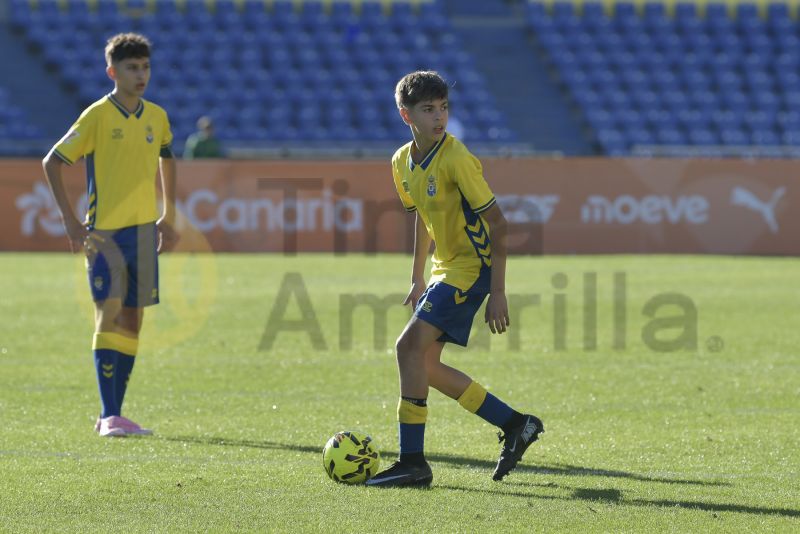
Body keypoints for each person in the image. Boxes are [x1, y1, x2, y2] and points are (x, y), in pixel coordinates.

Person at [366, 71, 544, 487]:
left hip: (473, 269)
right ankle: (517, 424)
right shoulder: (400, 162)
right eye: (428, 109)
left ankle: (413, 463)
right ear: (405, 114)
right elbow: (423, 221)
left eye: (443, 107)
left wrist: (498, 290)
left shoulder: (457, 157)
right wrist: (416, 276)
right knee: (425, 364)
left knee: (407, 347)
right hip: (446, 269)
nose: (438, 116)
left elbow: (498, 225)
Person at [42, 33, 177, 437]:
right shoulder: (96, 116)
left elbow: (167, 158)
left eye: (145, 67)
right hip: (104, 234)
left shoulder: (157, 117)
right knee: (109, 312)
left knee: (133, 321)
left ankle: (115, 414)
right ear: (112, 72)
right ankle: (109, 414)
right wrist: (70, 221)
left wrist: (167, 216)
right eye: (133, 68)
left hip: (142, 233)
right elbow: (53, 162)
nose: (141, 75)